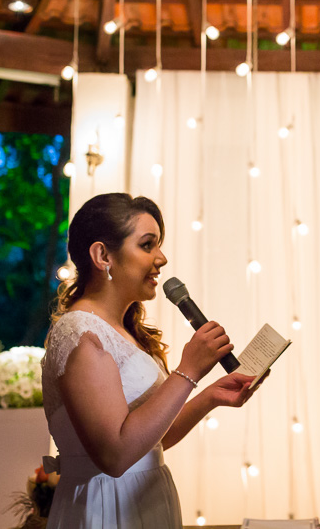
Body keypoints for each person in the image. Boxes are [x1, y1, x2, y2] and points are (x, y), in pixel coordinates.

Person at [41, 193, 265, 528]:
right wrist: (188, 371)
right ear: (103, 255)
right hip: (106, 507)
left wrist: (211, 396)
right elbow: (115, 457)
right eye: (148, 245)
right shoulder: (80, 334)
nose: (161, 258)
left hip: (146, 500)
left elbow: (151, 439)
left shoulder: (121, 330)